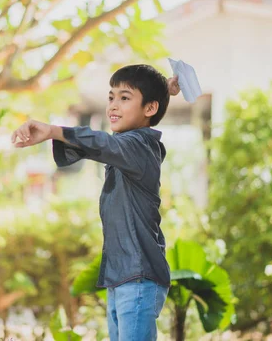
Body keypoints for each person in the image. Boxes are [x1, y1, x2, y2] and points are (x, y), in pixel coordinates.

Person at [12, 64, 180, 340]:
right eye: (111, 97)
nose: (113, 105)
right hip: (123, 278)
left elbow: (103, 144)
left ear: (150, 108)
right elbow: (107, 145)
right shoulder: (128, 145)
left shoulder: (139, 146)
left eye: (125, 98)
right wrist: (165, 92)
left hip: (138, 278)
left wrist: (54, 131)